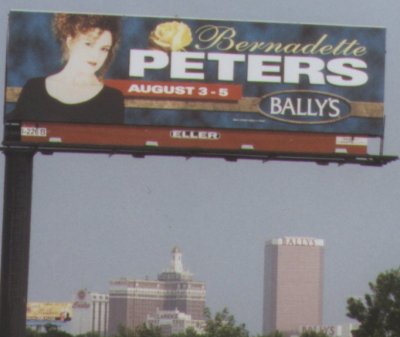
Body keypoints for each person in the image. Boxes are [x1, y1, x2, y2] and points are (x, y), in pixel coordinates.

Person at [7, 13, 124, 124]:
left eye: (104, 49)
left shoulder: (112, 99)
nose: (96, 55)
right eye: (89, 44)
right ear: (70, 42)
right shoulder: (34, 88)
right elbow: (15, 137)